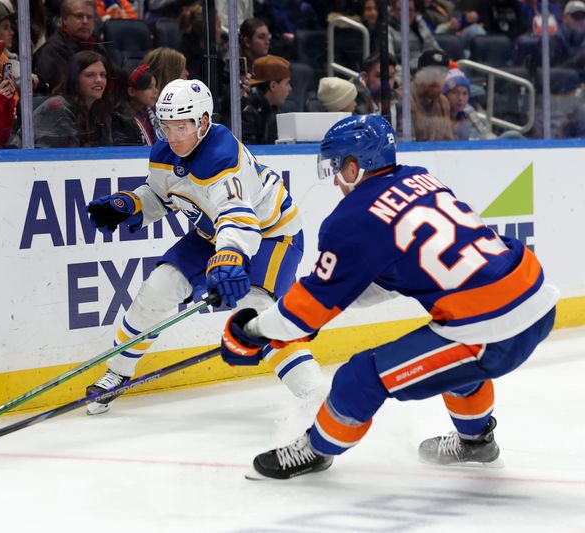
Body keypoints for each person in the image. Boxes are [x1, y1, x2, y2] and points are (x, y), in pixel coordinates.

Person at [219, 114, 559, 480]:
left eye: (337, 167)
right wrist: (320, 306)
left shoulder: (352, 218)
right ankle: (476, 444)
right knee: (457, 368)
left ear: (355, 166)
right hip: (536, 297)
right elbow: (389, 276)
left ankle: (315, 450)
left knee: (359, 376)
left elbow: (308, 311)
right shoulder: (420, 177)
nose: (334, 179)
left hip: (490, 329)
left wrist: (253, 330)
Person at [84, 78, 321, 415]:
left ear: (203, 122)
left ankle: (317, 396)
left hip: (272, 234)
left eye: (182, 126)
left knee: (255, 312)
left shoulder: (222, 156)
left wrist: (230, 256)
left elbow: (238, 216)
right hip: (212, 233)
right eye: (167, 127)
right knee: (157, 289)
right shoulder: (165, 151)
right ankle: (116, 373)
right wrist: (130, 205)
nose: (174, 136)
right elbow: (162, 195)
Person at [31, 49, 112, 147]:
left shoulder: (99, 109)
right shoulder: (58, 108)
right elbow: (59, 157)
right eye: (90, 75)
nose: (99, 80)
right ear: (74, 79)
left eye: (103, 75)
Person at [35, 0, 110, 94]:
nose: (85, 21)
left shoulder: (98, 45)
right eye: (79, 16)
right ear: (64, 19)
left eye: (89, 17)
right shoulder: (52, 51)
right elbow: (62, 90)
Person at [241, 54, 291, 145]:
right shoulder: (247, 113)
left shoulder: (272, 110)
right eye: (287, 83)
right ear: (273, 86)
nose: (290, 88)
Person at [410, 49, 454, 141]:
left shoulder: (443, 101)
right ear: (417, 74)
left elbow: (449, 143)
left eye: (442, 74)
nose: (436, 79)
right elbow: (406, 147)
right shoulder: (404, 99)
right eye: (431, 73)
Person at [443, 67, 496, 140]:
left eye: (465, 94)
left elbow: (486, 135)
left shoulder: (468, 110)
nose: (460, 98)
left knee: (512, 135)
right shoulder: (436, 113)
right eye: (455, 93)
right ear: (444, 95)